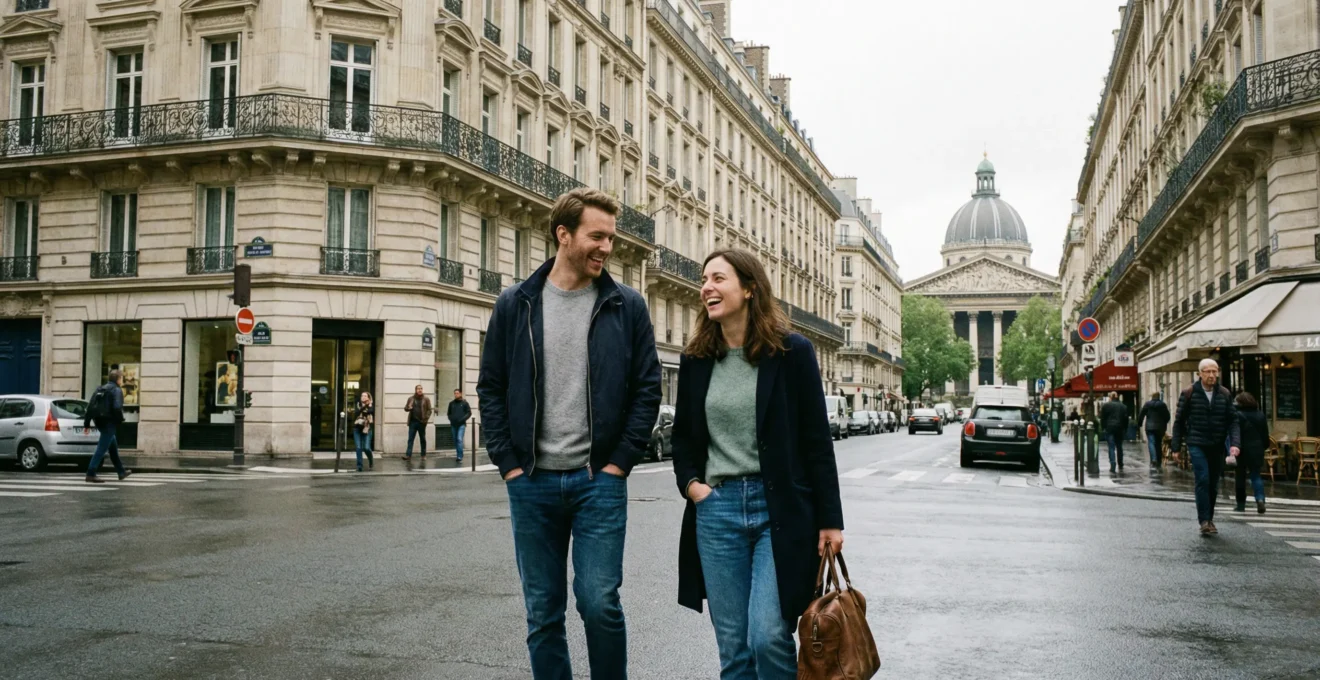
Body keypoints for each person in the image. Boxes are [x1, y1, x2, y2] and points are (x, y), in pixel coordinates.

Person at [477, 187, 662, 680]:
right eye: (596, 236)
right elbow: (491, 387)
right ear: (564, 234)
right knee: (542, 611)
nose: (607, 247)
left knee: (599, 601)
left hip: (596, 481)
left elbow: (648, 390)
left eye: (611, 238)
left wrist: (619, 462)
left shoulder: (627, 306)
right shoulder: (516, 304)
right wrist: (509, 465)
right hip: (531, 480)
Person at [671, 249, 845, 680]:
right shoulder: (696, 359)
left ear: (749, 289)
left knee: (768, 635)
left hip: (779, 511)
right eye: (704, 280)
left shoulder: (792, 354)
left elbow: (817, 443)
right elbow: (685, 439)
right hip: (717, 511)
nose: (706, 287)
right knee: (734, 650)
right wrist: (694, 486)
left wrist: (831, 521)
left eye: (718, 279)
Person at [1170, 359, 1241, 536]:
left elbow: (1233, 421)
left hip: (1216, 444)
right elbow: (1179, 422)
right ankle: (1203, 521)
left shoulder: (1224, 394)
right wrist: (1176, 447)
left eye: (1214, 371)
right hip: (1196, 442)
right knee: (1202, 478)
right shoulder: (1189, 393)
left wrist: (1235, 444)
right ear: (1199, 374)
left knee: (1213, 483)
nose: (1211, 375)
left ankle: (1209, 518)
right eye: (1207, 371)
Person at [85, 369, 132, 483]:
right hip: (109, 422)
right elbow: (117, 407)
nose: (122, 380)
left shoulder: (100, 389)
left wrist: (87, 423)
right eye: (121, 378)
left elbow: (90, 407)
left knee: (112, 447)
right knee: (102, 448)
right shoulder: (116, 390)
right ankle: (91, 473)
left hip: (99, 421)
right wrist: (120, 420)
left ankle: (121, 472)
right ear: (118, 379)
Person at [1233, 391, 1268, 514]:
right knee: (1256, 475)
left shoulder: (1237, 415)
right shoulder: (1260, 415)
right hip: (1257, 449)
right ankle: (1260, 499)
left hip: (1241, 449)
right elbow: (1265, 435)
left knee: (1240, 477)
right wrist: (1263, 447)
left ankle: (1241, 504)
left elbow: (1235, 433)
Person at [1136, 390, 1171, 467]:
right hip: (1160, 428)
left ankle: (1154, 459)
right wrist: (1164, 422)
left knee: (1151, 442)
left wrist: (1139, 424)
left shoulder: (1147, 404)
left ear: (1152, 397)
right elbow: (1167, 416)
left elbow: (1141, 414)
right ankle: (1158, 460)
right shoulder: (1162, 405)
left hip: (1150, 427)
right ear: (1159, 397)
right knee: (1158, 443)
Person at [1099, 391, 1130, 472]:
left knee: (1111, 446)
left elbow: (1102, 418)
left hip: (1109, 428)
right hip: (1119, 428)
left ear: (1110, 397)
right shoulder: (1123, 406)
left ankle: (1113, 463)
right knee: (1119, 446)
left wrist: (1103, 427)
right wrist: (1125, 428)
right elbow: (1126, 419)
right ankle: (1120, 462)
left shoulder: (1106, 406)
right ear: (1117, 396)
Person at [404, 385, 432, 460]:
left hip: (422, 422)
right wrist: (408, 408)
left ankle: (423, 455)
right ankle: (408, 455)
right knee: (410, 439)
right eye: (418, 389)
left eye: (421, 389)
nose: (420, 390)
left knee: (422, 439)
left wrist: (426, 419)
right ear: (415, 390)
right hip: (413, 422)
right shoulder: (411, 399)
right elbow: (405, 408)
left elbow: (429, 410)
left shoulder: (426, 399)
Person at [447, 389, 472, 462]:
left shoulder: (464, 403)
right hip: (453, 424)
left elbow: (469, 413)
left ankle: (459, 456)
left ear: (460, 394)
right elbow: (448, 413)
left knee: (459, 439)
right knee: (455, 440)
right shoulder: (451, 403)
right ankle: (459, 453)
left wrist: (463, 419)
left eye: (457, 393)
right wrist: (451, 419)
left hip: (461, 424)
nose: (456, 394)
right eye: (455, 393)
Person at [353, 391, 374, 472]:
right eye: (362, 395)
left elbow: (370, 411)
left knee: (366, 448)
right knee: (358, 447)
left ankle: (371, 460)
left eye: (365, 396)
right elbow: (356, 412)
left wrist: (367, 406)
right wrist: (364, 406)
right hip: (357, 428)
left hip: (367, 428)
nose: (363, 397)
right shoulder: (357, 404)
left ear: (368, 397)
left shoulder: (371, 405)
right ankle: (359, 466)